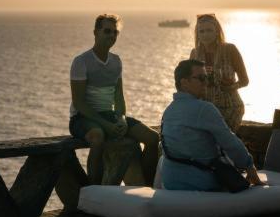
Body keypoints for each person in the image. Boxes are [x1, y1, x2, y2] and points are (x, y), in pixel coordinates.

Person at [69, 14, 159, 186]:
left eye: (115, 32)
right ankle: (93, 190)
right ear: (95, 32)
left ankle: (147, 188)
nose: (111, 35)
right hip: (82, 118)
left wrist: (122, 119)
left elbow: (119, 96)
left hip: (109, 116)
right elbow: (79, 103)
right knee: (98, 137)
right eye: (107, 31)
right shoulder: (81, 62)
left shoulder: (116, 61)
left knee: (153, 138)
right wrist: (106, 124)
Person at [161, 59, 263, 191]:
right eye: (201, 78)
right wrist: (249, 167)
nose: (206, 83)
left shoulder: (168, 111)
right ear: (184, 82)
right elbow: (230, 142)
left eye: (207, 78)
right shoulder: (204, 109)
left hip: (171, 182)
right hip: (200, 183)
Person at [190, 13, 248, 132]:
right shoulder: (194, 53)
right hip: (205, 108)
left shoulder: (230, 49)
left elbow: (245, 81)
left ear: (217, 31)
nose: (205, 34)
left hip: (230, 106)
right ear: (197, 34)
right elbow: (191, 83)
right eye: (202, 31)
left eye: (209, 30)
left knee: (221, 142)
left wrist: (232, 86)